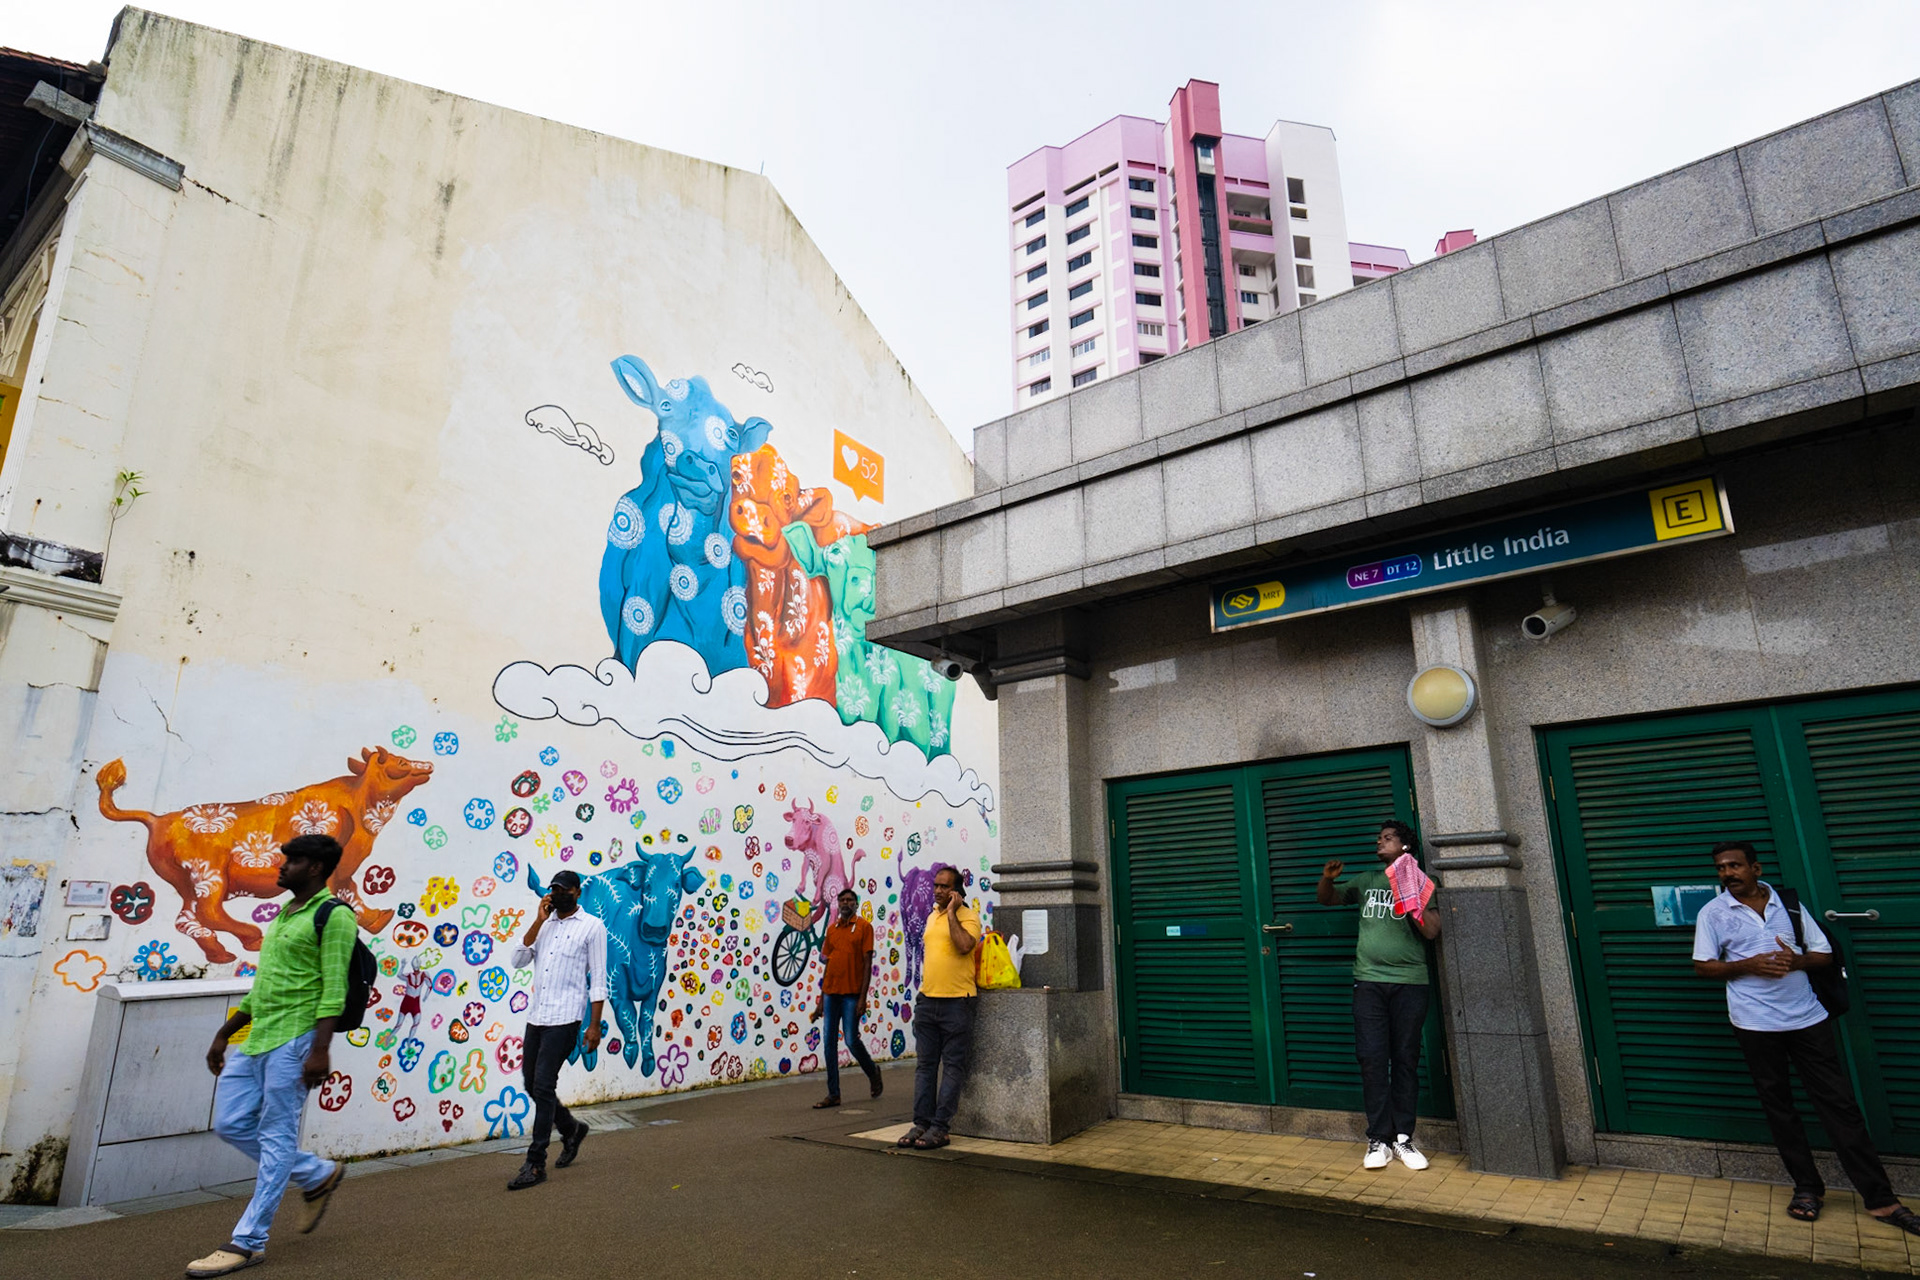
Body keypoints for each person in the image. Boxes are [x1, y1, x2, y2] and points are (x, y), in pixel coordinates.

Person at [1692, 841, 1920, 1233]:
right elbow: (1703, 966)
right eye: (1721, 868)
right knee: (1779, 1107)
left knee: (1840, 1105)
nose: (1728, 873)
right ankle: (1807, 1189)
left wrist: (1796, 961)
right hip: (1754, 1023)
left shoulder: (1789, 906)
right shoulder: (1713, 912)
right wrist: (1749, 965)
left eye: (1735, 866)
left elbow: (1824, 955)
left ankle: (1881, 1200)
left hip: (1808, 1019)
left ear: (1756, 868)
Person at [191, 834, 356, 1277]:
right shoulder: (285, 913)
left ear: (316, 868)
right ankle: (316, 1174)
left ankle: (248, 1241)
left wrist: (320, 1050)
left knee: (276, 1134)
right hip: (258, 1037)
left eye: (293, 860)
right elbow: (264, 984)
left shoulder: (334, 915)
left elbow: (334, 988)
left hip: (297, 1040)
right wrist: (224, 1034)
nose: (282, 867)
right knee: (230, 1123)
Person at [1316, 819, 1441, 1172]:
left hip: (1410, 983)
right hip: (1369, 982)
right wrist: (1327, 878)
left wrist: (1409, 894)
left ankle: (1403, 1138)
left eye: (1387, 838)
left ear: (1405, 846)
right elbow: (1327, 899)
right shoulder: (1367, 880)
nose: (1379, 843)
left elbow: (1432, 931)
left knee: (1405, 1059)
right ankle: (1379, 1139)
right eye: (1378, 838)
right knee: (1372, 1059)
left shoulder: (1422, 882)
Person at [505, 868, 608, 1191]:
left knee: (544, 1084)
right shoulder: (545, 925)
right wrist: (537, 921)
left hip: (566, 1019)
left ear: (577, 892)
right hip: (537, 1017)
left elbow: (599, 979)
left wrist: (594, 1026)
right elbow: (517, 960)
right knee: (531, 1084)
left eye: (565, 889)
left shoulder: (592, 927)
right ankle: (571, 1129)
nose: (559, 894)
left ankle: (535, 1162)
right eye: (555, 889)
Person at [898, 866, 979, 1150]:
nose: (937, 891)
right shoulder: (932, 915)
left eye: (945, 886)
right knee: (925, 1067)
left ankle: (940, 1128)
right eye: (936, 885)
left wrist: (953, 913)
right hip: (927, 1001)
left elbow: (964, 946)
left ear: (957, 891)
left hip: (957, 1002)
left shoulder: (969, 917)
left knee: (953, 1067)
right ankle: (921, 1123)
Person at [811, 887, 883, 1108]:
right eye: (842, 900)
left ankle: (872, 1072)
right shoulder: (832, 930)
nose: (845, 903)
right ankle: (833, 1094)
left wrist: (862, 999)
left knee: (851, 1040)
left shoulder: (864, 927)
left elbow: (867, 964)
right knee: (829, 1044)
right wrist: (821, 1001)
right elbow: (829, 964)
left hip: (852, 995)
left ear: (856, 904)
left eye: (849, 900)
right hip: (831, 994)